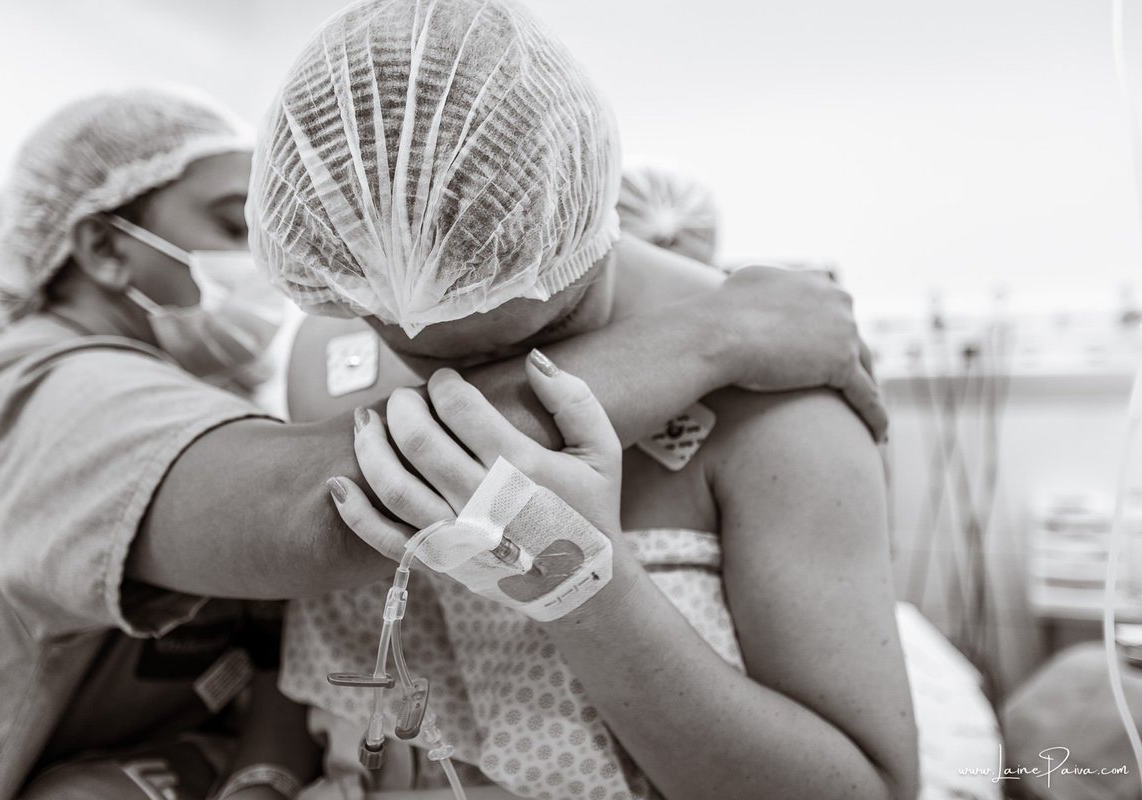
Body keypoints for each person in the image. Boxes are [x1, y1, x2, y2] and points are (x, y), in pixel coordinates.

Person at [0, 78, 880, 800]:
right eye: (236, 227)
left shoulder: (781, 426)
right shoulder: (49, 394)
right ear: (105, 251)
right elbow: (329, 507)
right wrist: (718, 332)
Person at [247, 1, 917, 798]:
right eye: (411, 345)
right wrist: (260, 775)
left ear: (581, 218)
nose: (475, 387)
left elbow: (866, 789)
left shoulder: (777, 399)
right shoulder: (332, 353)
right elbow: (309, 637)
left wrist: (591, 597)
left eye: (545, 335)